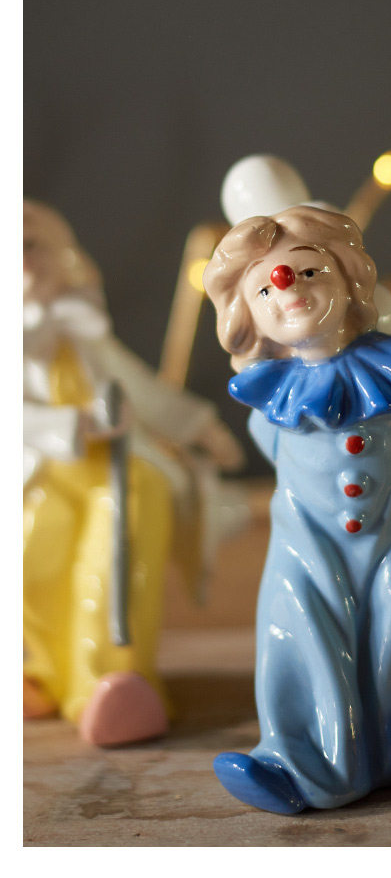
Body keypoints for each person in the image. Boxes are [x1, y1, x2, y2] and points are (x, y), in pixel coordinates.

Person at [203, 204, 391, 813]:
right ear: (248, 314)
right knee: (297, 629)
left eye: (310, 272)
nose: (290, 290)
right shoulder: (271, 392)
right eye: (264, 289)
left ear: (348, 280)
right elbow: (273, 445)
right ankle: (302, 761)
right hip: (307, 540)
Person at [23, 200, 245, 745]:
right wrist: (75, 424)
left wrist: (199, 426)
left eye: (32, 247)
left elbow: (141, 388)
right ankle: (42, 668)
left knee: (119, 552)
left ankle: (110, 679)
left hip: (118, 471)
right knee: (32, 555)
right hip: (41, 473)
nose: (22, 263)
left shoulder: (83, 334)